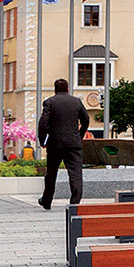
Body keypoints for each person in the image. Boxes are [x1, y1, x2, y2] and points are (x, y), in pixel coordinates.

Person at [36, 77, 91, 209]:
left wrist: (43, 141)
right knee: (75, 172)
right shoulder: (76, 102)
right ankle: (75, 201)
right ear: (67, 89)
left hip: (55, 143)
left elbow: (43, 124)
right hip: (73, 143)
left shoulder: (49, 102)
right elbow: (86, 120)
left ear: (55, 90)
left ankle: (47, 200)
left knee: (51, 173)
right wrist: (79, 135)